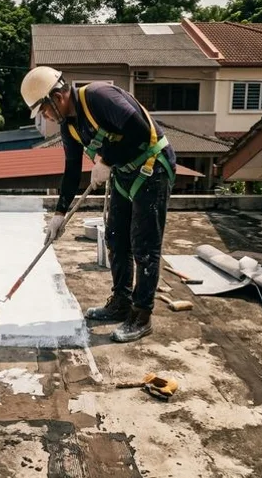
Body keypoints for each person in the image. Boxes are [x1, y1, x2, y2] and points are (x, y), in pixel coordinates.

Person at [21, 66, 176, 343]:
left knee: (144, 246)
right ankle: (121, 302)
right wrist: (59, 213)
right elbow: (71, 170)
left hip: (153, 168)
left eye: (43, 110)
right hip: (124, 172)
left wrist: (105, 160)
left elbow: (139, 131)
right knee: (116, 238)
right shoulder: (70, 125)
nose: (44, 116)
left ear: (57, 97)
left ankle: (142, 316)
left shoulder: (99, 97)